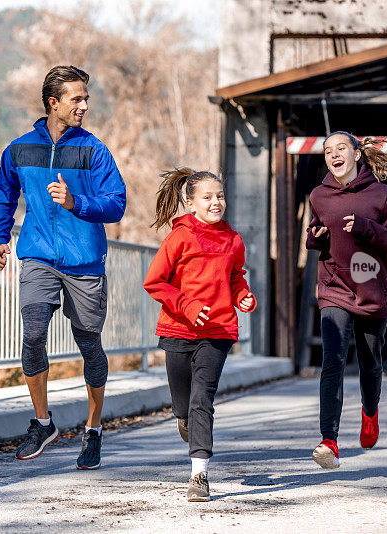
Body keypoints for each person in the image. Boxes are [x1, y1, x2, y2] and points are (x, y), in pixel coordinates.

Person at [0, 65, 126, 470]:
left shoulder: (94, 150)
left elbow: (116, 203)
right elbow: (4, 195)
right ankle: (43, 421)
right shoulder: (19, 149)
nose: (84, 105)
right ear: (54, 103)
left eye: (85, 98)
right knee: (32, 335)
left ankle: (94, 428)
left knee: (88, 344)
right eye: (76, 99)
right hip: (38, 257)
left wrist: (75, 203)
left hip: (84, 263)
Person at [143, 168, 256, 502]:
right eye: (207, 197)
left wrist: (242, 294)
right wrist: (186, 305)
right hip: (178, 329)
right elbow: (154, 282)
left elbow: (236, 276)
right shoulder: (180, 236)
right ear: (191, 204)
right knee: (183, 406)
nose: (216, 202)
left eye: (219, 195)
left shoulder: (233, 240)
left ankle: (199, 475)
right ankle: (185, 420)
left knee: (201, 399)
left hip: (217, 330)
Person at [305, 131, 387, 469]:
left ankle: (370, 411)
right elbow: (314, 232)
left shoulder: (382, 194)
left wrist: (367, 227)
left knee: (370, 362)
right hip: (333, 287)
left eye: (340, 149)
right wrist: (314, 236)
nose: (333, 155)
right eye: (327, 151)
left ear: (356, 155)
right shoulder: (319, 195)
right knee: (332, 360)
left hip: (371, 290)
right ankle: (329, 440)